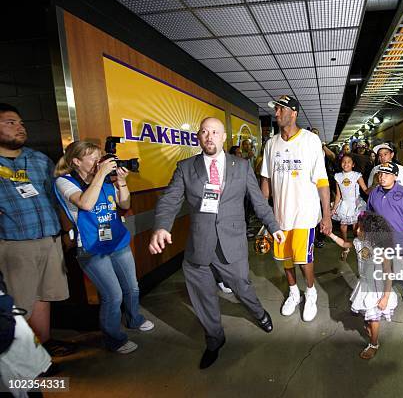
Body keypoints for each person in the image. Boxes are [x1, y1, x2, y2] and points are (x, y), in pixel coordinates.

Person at [149, 117, 284, 369]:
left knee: (242, 287)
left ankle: (259, 313)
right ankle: (214, 338)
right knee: (202, 296)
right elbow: (169, 201)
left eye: (214, 132)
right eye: (204, 132)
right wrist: (160, 227)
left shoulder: (241, 166)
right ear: (198, 137)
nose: (209, 136)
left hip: (231, 243)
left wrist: (273, 226)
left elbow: (257, 201)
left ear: (224, 137)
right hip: (199, 246)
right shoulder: (185, 167)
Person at [54, 141, 154, 354]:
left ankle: (134, 319)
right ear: (76, 161)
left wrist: (122, 182)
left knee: (132, 286)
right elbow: (86, 203)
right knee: (113, 294)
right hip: (91, 247)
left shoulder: (106, 179)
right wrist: (101, 175)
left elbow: (124, 205)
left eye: (99, 156)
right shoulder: (64, 182)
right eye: (92, 157)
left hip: (117, 240)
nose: (99, 161)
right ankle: (113, 339)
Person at [0, 103, 75, 357]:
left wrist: (66, 233)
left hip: (50, 238)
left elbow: (57, 200)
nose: (20, 127)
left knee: (44, 295)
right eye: (11, 123)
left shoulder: (39, 160)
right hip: (14, 244)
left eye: (21, 123)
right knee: (19, 303)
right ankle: (25, 357)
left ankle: (43, 343)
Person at [262, 95, 331, 322]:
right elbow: (266, 181)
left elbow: (322, 181)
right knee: (286, 259)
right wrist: (265, 215)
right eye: (276, 110)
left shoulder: (311, 141)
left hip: (305, 213)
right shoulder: (271, 145)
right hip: (281, 215)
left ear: (294, 113)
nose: (277, 113)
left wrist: (327, 216)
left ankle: (310, 292)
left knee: (303, 259)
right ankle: (294, 293)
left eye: (281, 109)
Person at [326, 212, 396, 360]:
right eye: (357, 227)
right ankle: (371, 327)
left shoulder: (381, 250)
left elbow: (389, 274)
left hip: (377, 288)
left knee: (373, 317)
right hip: (364, 283)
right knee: (368, 313)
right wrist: (330, 234)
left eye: (361, 229)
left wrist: (386, 296)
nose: (356, 231)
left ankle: (374, 344)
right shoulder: (358, 242)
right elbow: (345, 244)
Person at [367, 162, 403, 305]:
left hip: (401, 239)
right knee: (386, 267)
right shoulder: (374, 193)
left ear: (395, 176)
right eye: (380, 173)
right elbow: (369, 214)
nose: (382, 177)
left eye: (386, 174)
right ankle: (386, 292)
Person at [331, 153, 368, 260]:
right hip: (344, 204)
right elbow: (338, 195)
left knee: (356, 229)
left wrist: (375, 187)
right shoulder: (338, 176)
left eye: (348, 162)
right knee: (343, 227)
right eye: (343, 162)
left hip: (355, 204)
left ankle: (359, 247)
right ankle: (345, 246)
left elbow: (365, 189)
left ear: (353, 164)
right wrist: (334, 209)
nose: (346, 164)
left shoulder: (356, 175)